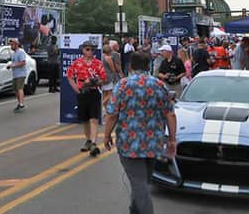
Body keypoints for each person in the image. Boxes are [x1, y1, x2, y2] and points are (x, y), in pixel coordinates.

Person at [104, 51, 177, 214]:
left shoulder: (123, 85)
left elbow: (112, 114)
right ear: (148, 66)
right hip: (153, 143)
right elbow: (170, 114)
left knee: (139, 185)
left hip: (129, 144)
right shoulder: (159, 85)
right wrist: (172, 139)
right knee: (142, 183)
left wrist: (107, 135)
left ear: (130, 66)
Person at [66, 40, 107, 156]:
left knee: (94, 119)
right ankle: (88, 140)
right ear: (83, 50)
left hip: (94, 92)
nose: (90, 52)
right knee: (85, 119)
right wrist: (76, 89)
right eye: (87, 49)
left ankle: (94, 143)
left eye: (92, 49)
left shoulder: (98, 63)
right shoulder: (77, 63)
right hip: (82, 93)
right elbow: (69, 76)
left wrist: (94, 82)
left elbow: (104, 79)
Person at [7, 38, 28, 112]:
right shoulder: (13, 54)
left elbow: (23, 62)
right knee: (15, 89)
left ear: (16, 45)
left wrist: (14, 65)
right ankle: (19, 103)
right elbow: (13, 63)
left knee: (19, 88)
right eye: (10, 45)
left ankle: (21, 103)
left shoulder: (21, 52)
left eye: (12, 45)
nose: (11, 46)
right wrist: (10, 66)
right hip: (15, 74)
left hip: (21, 74)